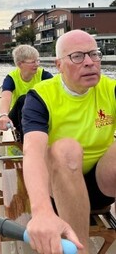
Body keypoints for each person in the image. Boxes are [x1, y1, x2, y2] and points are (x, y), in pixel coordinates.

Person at [21, 30, 116, 254]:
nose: (90, 63)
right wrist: (41, 210)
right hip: (57, 188)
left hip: (101, 184)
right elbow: (32, 152)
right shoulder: (39, 97)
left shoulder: (111, 89)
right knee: (66, 149)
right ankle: (79, 250)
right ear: (59, 65)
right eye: (77, 56)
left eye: (94, 54)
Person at [0, 44, 53, 142]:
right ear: (20, 64)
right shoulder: (11, 78)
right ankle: (25, 141)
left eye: (37, 60)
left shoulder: (44, 75)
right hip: (17, 118)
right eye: (32, 62)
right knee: (25, 99)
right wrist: (4, 115)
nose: (37, 64)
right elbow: (6, 97)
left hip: (38, 114)